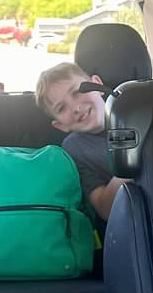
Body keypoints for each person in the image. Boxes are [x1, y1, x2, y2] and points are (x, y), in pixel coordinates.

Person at [36, 62, 127, 224]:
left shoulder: (134, 109)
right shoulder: (75, 149)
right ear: (60, 125)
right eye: (61, 108)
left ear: (97, 85)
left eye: (77, 92)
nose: (76, 108)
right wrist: (133, 157)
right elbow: (104, 208)